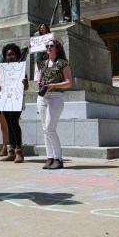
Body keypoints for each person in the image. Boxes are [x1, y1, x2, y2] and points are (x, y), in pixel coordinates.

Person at [37, 39, 72, 170]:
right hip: (42, 98)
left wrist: (52, 86)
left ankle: (58, 159)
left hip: (56, 97)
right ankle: (50, 158)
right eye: (47, 46)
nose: (49, 48)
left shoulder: (63, 63)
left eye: (51, 46)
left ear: (58, 48)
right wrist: (40, 84)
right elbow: (40, 79)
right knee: (45, 129)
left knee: (50, 128)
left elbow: (68, 82)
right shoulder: (44, 64)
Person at [0, 43, 29, 164]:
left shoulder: (20, 69)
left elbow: (27, 86)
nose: (10, 57)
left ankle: (19, 151)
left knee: (14, 122)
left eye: (12, 54)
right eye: (8, 55)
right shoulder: (2, 69)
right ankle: (11, 152)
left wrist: (25, 83)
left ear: (16, 55)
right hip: (5, 100)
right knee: (9, 124)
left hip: (16, 100)